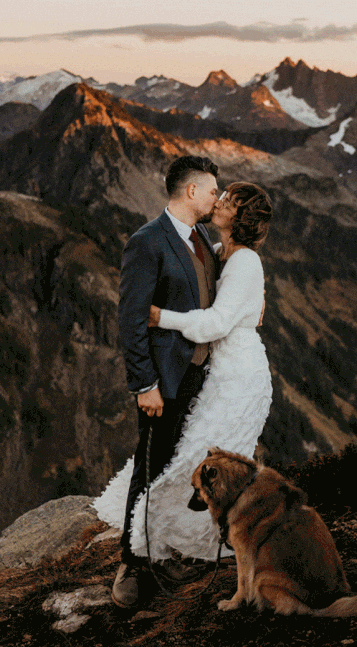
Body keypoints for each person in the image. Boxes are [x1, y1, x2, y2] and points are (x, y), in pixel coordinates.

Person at [94, 178, 274, 607]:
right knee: (184, 459)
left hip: (238, 377)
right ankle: (151, 547)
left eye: (228, 199)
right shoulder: (219, 251)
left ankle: (155, 547)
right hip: (217, 371)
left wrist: (160, 317)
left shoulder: (245, 260)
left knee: (195, 463)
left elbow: (214, 323)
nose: (221, 201)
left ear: (241, 216)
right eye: (220, 192)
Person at [94, 155, 221, 608]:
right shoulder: (146, 242)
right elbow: (131, 321)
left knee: (182, 466)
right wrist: (143, 384)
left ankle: (167, 548)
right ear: (190, 191)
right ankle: (132, 559)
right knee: (151, 467)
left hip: (200, 376)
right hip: (164, 381)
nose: (215, 198)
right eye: (211, 191)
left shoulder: (202, 236)